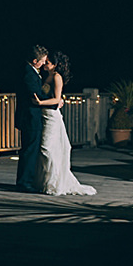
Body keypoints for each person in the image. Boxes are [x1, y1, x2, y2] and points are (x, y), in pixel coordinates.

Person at [32, 51, 97, 195]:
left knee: (47, 148)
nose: (45, 64)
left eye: (48, 62)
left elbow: (56, 99)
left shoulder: (56, 77)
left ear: (55, 64)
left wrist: (41, 102)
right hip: (44, 114)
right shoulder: (46, 76)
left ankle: (53, 181)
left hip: (52, 116)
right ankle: (43, 181)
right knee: (46, 149)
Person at [15, 45, 50, 193]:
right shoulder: (29, 74)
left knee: (31, 148)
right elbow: (36, 95)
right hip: (30, 117)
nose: (43, 63)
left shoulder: (31, 71)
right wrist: (54, 101)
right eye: (42, 61)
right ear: (35, 61)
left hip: (30, 116)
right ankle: (25, 182)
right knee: (30, 149)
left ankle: (26, 180)